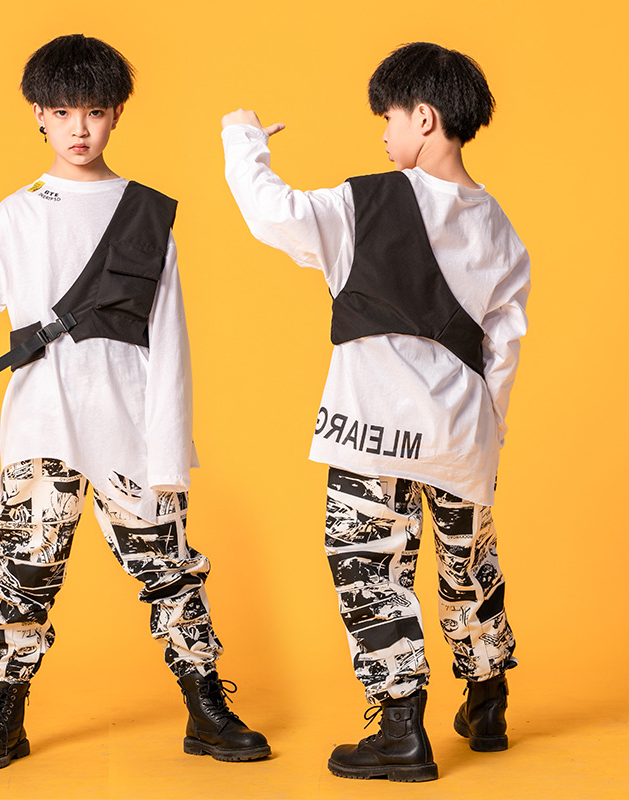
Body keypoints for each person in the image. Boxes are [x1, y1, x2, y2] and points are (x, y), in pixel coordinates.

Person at [0, 33, 269, 772]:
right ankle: (4, 714)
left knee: (171, 573)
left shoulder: (147, 215)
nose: (79, 128)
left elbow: (170, 342)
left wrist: (169, 451)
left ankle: (207, 708)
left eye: (93, 111)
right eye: (62, 112)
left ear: (116, 113)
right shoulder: (18, 215)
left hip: (129, 429)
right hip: (41, 426)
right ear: (39, 114)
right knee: (23, 574)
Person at [221, 41, 529, 782]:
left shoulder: (364, 204)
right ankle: (487, 702)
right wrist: (488, 436)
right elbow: (504, 348)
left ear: (423, 118)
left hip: (373, 427)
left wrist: (243, 138)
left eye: (388, 118)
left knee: (369, 566)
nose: (383, 134)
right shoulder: (499, 226)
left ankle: (400, 732)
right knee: (468, 564)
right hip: (463, 432)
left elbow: (271, 213)